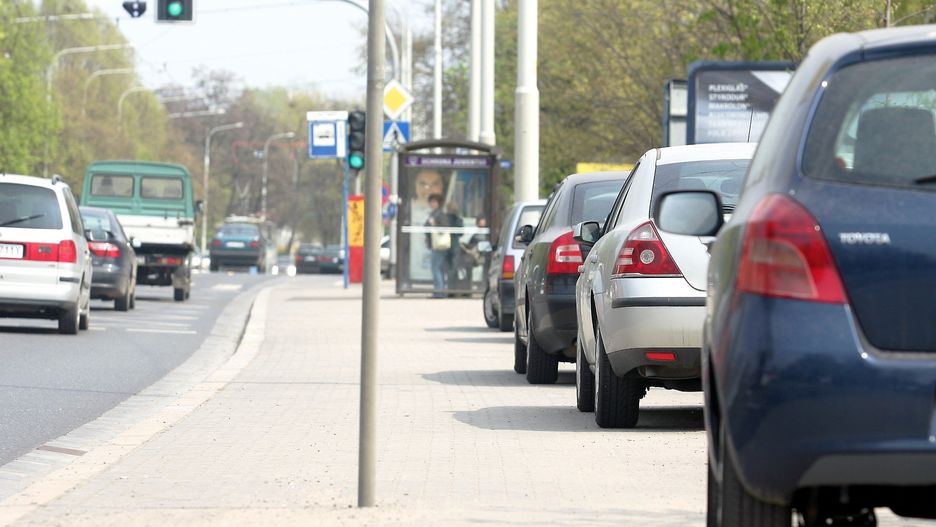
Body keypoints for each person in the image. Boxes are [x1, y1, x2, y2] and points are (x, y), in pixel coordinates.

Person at [425, 193, 450, 298]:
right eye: (431, 201)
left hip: (439, 245)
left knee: (436, 268)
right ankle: (438, 291)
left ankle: (439, 292)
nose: (432, 203)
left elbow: (444, 227)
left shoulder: (440, 214)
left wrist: (434, 224)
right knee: (437, 268)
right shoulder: (433, 213)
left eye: (434, 201)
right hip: (435, 245)